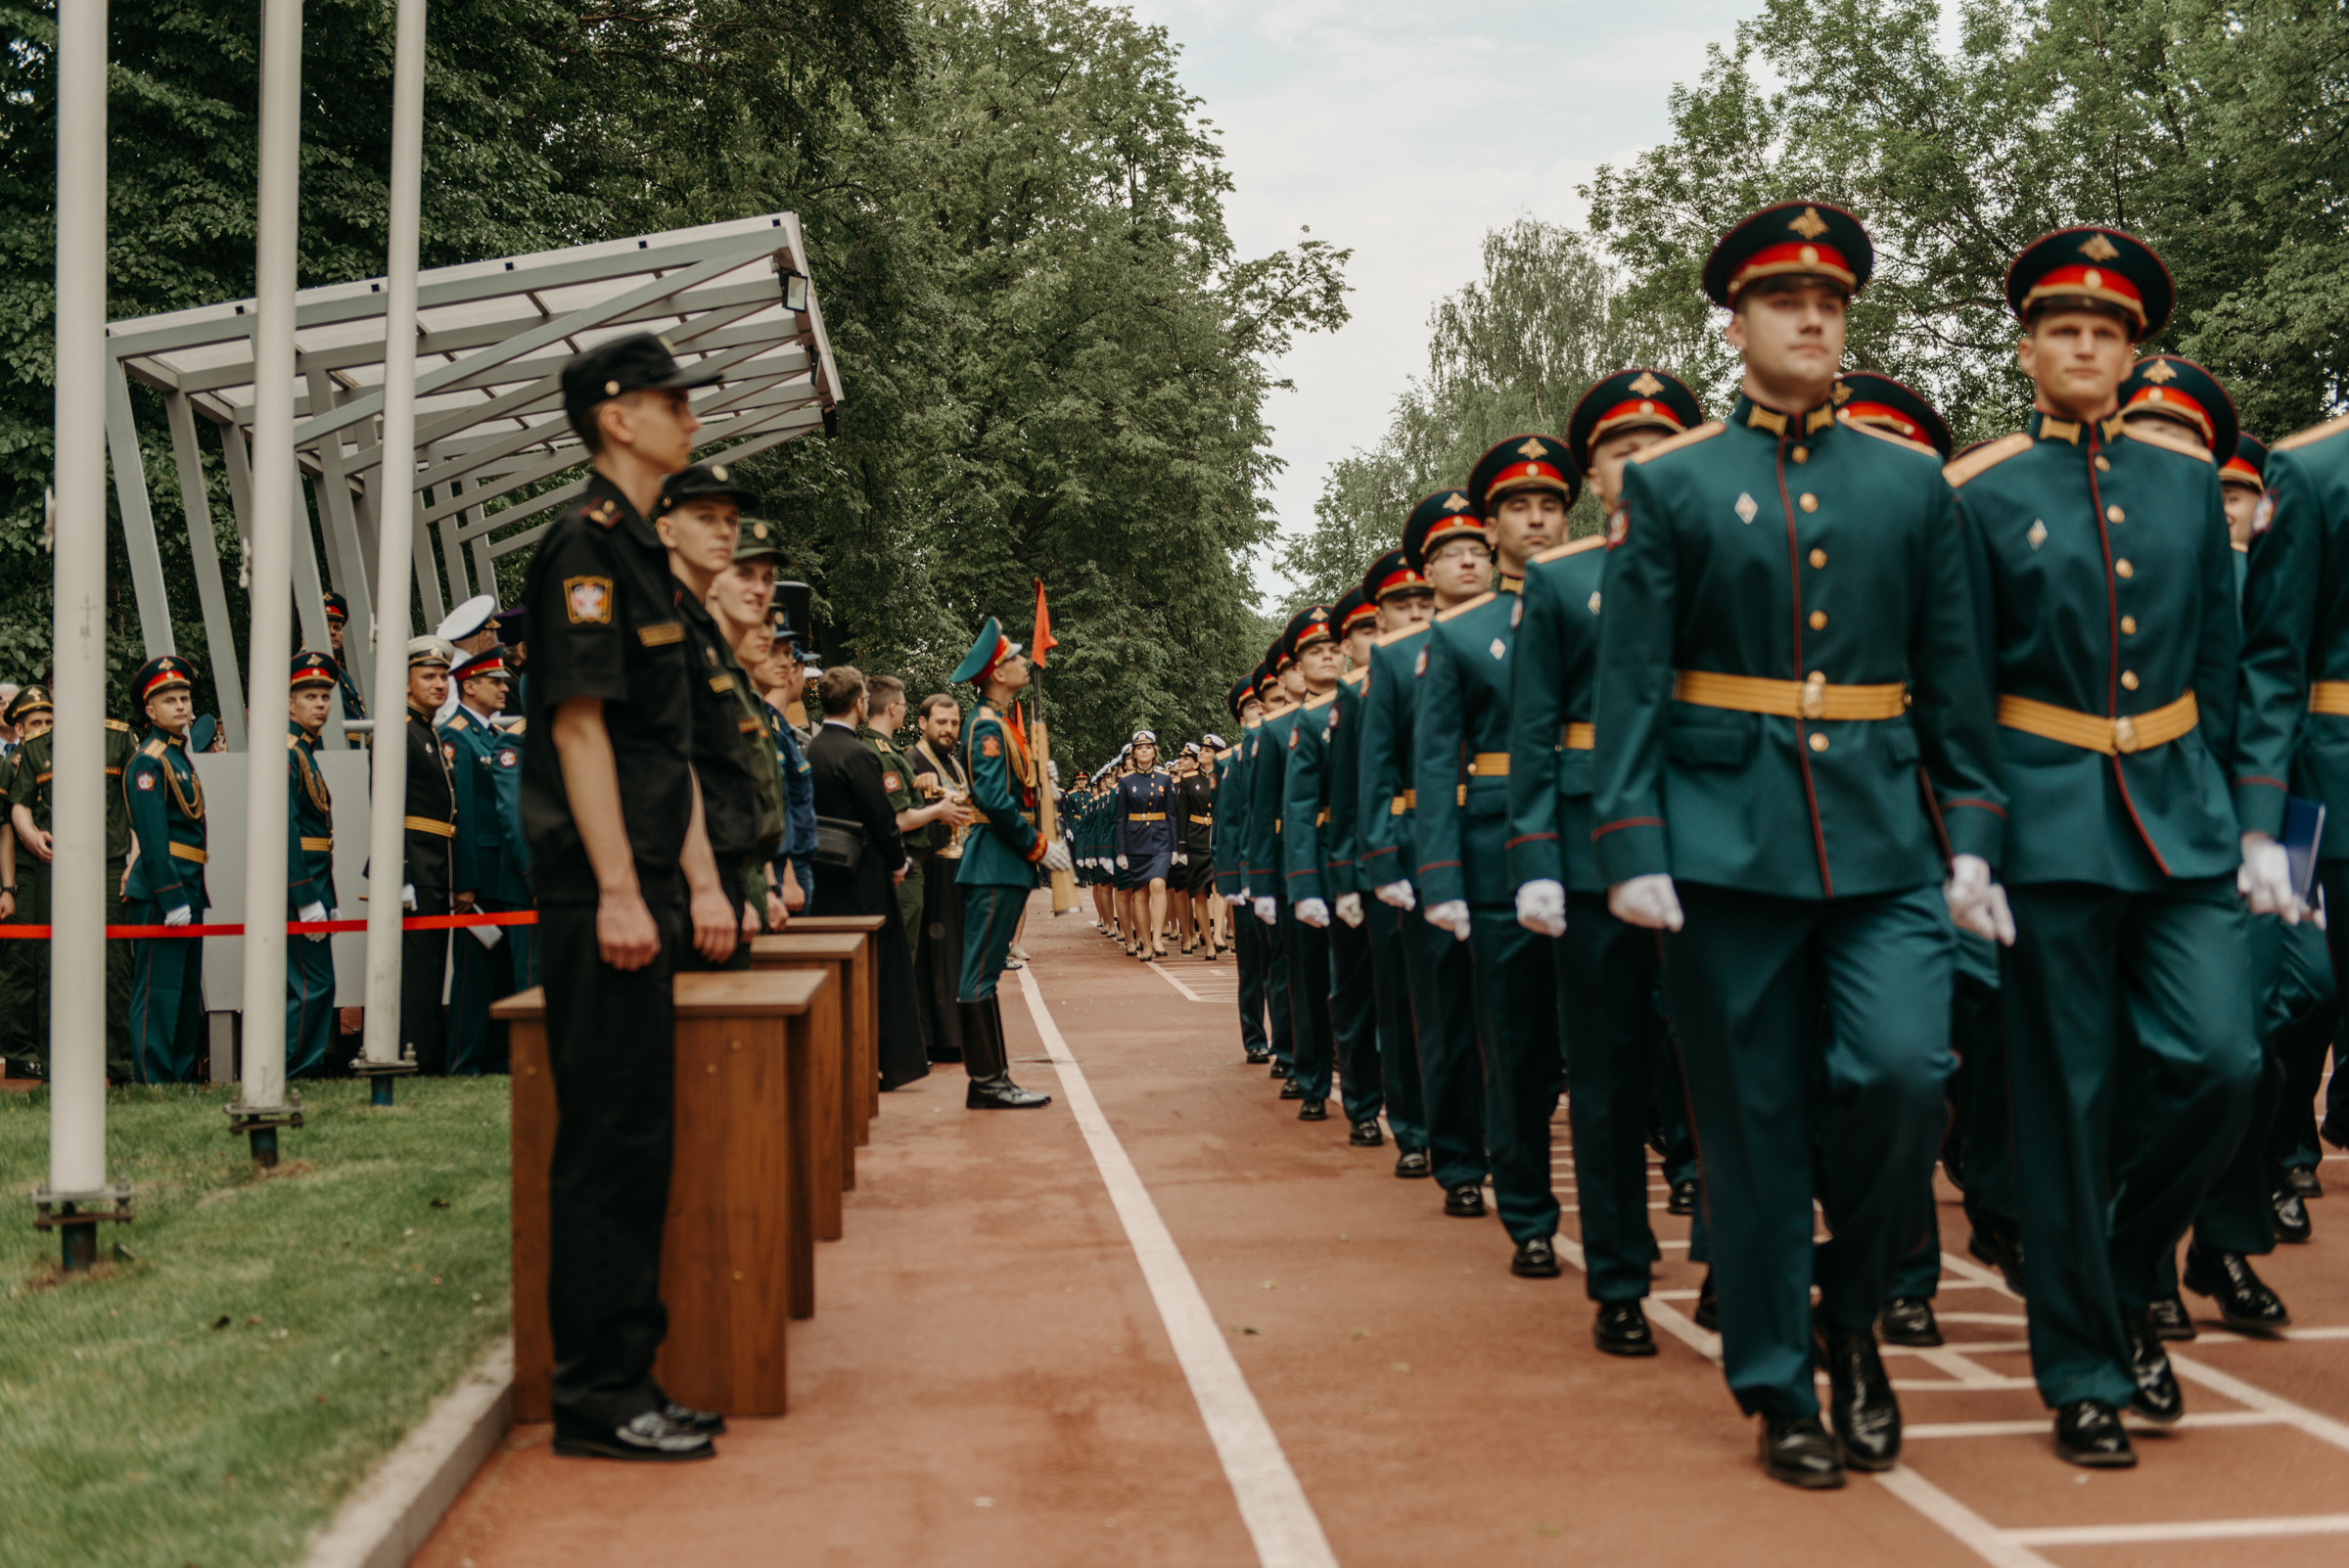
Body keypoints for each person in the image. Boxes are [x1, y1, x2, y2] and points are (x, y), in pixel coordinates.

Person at [1593, 202, 2004, 1486]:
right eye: (1785, 302)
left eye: (1830, 303)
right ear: (1739, 321)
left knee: (1900, 1078)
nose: (1813, 319)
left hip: (1884, 840)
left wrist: (1976, 835)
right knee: (1754, 1128)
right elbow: (1634, 678)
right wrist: (1632, 834)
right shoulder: (1673, 483)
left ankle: (1853, 1314)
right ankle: (1782, 1385)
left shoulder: (1908, 483)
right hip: (1721, 849)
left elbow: (1953, 677)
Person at [1949, 230, 2264, 1467]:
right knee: (2067, 1106)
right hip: (2045, 822)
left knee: (2222, 1061)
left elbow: (2225, 670)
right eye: (2063, 330)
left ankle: (2132, 1267)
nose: (2086, 348)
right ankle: (2083, 1366)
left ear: (2133, 355)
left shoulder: (2190, 485)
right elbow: (1958, 686)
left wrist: (2252, 826)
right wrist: (1969, 844)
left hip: (2181, 817)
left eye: (2108, 333)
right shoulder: (1979, 495)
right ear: (2028, 352)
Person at [524, 331, 736, 1462]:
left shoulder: (644, 560)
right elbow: (580, 726)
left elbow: (671, 752)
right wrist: (615, 887)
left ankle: (630, 1373)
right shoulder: (583, 549)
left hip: (647, 880)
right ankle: (595, 1396)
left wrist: (688, 876)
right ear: (616, 416)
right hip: (602, 888)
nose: (690, 416)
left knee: (639, 1136)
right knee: (608, 1140)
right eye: (672, 400)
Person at [1510, 366, 1705, 1353]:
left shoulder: (1729, 559)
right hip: (1592, 852)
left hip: (1713, 834)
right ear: (1595, 473)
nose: (1646, 464)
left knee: (1722, 1057)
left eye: (1665, 446)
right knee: (1609, 1067)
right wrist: (1537, 854)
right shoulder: (1564, 581)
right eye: (1626, 451)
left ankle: (1724, 1242)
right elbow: (1536, 732)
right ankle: (1622, 1275)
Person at [2109, 356, 2305, 1334]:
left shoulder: (2256, 561)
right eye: (2149, 433)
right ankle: (2133, 1255)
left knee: (2258, 1026)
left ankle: (2222, 1243)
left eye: (2190, 442)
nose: (2170, 456)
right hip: (2128, 820)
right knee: (2133, 1049)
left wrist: (2278, 842)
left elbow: (2273, 696)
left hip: (2261, 826)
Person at [1415, 434, 1575, 1279]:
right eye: (1520, 506)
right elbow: (1438, 761)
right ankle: (1530, 1211)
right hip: (1496, 854)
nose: (1538, 519)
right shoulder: (1467, 636)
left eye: (1551, 504)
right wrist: (1439, 873)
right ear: (1496, 522)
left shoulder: (1597, 603)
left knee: (1608, 1041)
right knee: (1513, 1045)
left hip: (1594, 843)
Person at [1837, 369, 1974, 1348]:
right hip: (1808, 832)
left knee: (1920, 1066)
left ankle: (1916, 1258)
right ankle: (1882, 1271)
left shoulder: (1953, 552)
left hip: (1933, 838)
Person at [1363, 493, 1493, 1203]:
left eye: (1477, 546)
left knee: (1510, 1013)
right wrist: (1384, 860)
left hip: (1510, 838)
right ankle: (1456, 1159)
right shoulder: (1398, 660)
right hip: (1426, 847)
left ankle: (1508, 1137)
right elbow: (1379, 769)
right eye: (1448, 552)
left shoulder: (1526, 627)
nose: (1467, 559)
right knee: (1440, 1011)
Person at [653, 463, 770, 971]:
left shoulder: (699, 632)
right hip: (680, 879)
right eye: (706, 517)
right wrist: (705, 885)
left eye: (730, 520)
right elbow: (670, 763)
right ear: (666, 530)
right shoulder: (664, 622)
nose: (724, 531)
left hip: (722, 873)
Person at [950, 618, 1067, 1108]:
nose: (1023, 661)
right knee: (979, 974)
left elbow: (1013, 790)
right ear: (998, 672)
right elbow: (995, 801)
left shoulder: (998, 723)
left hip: (1001, 862)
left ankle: (994, 1077)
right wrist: (1039, 847)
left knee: (985, 974)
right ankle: (986, 1083)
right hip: (996, 861)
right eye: (1015, 657)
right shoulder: (986, 727)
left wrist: (1043, 780)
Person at [1286, 587, 1387, 1141]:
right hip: (1331, 858)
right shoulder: (1306, 722)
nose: (1326, 657)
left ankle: (1384, 1083)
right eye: (1314, 650)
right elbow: (1299, 809)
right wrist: (1303, 881)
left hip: (1390, 850)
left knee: (1389, 985)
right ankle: (1335, 1088)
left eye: (1333, 648)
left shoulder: (1376, 695)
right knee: (1329, 983)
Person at [1350, 550, 1436, 1179]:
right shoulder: (1362, 689)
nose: (1418, 613)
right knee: (1396, 997)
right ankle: (1409, 1124)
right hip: (1394, 853)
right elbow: (1352, 790)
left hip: (1475, 842)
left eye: (1424, 602)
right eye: (1403, 605)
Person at [806, 665, 930, 1087]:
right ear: (860, 703)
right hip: (863, 874)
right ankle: (887, 1061)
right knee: (881, 968)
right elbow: (882, 820)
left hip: (819, 872)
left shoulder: (812, 748)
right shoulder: (858, 754)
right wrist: (900, 864)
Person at [441, 645, 532, 1075]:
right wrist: (465, 881)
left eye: (505, 681)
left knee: (501, 975)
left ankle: (497, 1058)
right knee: (474, 978)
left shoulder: (492, 735)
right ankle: (465, 1060)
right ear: (469, 684)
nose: (503, 687)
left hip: (502, 875)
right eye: (494, 681)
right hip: (479, 876)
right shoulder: (456, 735)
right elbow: (462, 818)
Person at [123, 655, 211, 1085]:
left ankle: (180, 1076)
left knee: (184, 992)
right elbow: (154, 840)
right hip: (164, 891)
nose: (181, 706)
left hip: (188, 886)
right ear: (149, 710)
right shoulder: (148, 761)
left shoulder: (178, 756)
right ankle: (154, 1080)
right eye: (169, 700)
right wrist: (172, 895)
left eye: (184, 697)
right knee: (158, 990)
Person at [708, 518, 793, 931]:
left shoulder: (737, 679)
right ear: (711, 581)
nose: (759, 588)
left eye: (768, 577)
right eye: (743, 573)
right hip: (714, 883)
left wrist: (768, 883)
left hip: (747, 875)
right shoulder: (695, 663)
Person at [1243, 643, 1310, 1093]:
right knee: (1283, 966)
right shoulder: (1261, 742)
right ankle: (1288, 1052)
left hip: (1334, 854)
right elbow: (1250, 814)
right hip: (1284, 858)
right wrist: (1252, 877)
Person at [905, 693, 978, 1061]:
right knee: (935, 955)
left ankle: (956, 1034)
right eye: (941, 722)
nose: (949, 729)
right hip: (930, 868)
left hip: (961, 867)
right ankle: (936, 1038)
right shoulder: (911, 761)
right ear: (922, 723)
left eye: (954, 723)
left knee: (958, 952)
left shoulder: (955, 763)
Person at [398, 638, 460, 1072]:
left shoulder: (426, 730)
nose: (439, 684)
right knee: (419, 973)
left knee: (432, 967)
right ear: (405, 683)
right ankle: (411, 1057)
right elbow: (388, 804)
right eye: (428, 677)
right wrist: (398, 871)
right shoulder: (401, 732)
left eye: (442, 676)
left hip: (435, 864)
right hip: (416, 867)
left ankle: (425, 1055)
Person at [285, 652, 341, 1079]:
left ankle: (306, 1063)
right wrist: (305, 898)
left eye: (325, 695)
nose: (320, 703)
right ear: (289, 703)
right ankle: (296, 1070)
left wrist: (328, 897)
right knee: (310, 985)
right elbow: (285, 831)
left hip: (315, 884)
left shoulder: (305, 751)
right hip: (297, 888)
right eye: (309, 695)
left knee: (314, 984)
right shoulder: (288, 753)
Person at [1113, 730, 1176, 960]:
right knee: (1139, 894)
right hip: (1135, 842)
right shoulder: (1125, 781)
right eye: (1139, 748)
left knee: (1158, 884)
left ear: (1154, 751)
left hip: (1161, 841)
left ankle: (1158, 938)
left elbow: (1172, 815)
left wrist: (1176, 848)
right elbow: (1120, 819)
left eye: (1148, 747)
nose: (1144, 751)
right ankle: (1146, 944)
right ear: (1134, 753)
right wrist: (1120, 851)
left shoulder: (1165, 779)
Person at [1174, 740, 1219, 956]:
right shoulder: (1188, 780)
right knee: (1199, 894)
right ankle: (1208, 943)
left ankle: (1218, 934)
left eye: (1207, 751)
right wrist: (1181, 847)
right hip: (1196, 841)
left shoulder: (1225, 776)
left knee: (1220, 890)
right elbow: (1182, 814)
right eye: (1201, 750)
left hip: (1219, 840)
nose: (1201, 753)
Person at [433, 594, 500, 727]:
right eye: (492, 635)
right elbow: (455, 719)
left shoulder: (449, 665)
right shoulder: (460, 671)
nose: (493, 641)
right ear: (482, 638)